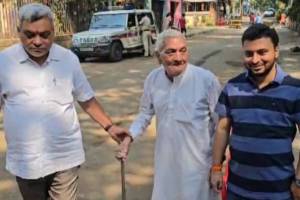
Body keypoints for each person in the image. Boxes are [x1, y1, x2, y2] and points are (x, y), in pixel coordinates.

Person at [0, 3, 129, 200]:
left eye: (45, 35)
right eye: (29, 35)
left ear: (53, 32)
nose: (37, 41)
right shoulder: (4, 62)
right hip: (25, 159)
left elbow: (86, 98)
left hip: (65, 155)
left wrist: (110, 127)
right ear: (19, 32)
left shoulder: (68, 59)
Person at [118, 29, 221, 200]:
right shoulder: (153, 79)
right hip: (166, 166)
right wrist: (130, 137)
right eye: (171, 52)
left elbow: (221, 127)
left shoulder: (206, 80)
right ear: (158, 56)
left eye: (183, 50)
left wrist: (217, 167)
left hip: (199, 168)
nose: (179, 58)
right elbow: (145, 113)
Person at [210, 23, 300, 200]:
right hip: (237, 190)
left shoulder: (295, 91)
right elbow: (222, 129)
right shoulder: (233, 87)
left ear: (276, 51)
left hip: (279, 191)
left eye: (262, 52)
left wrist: (298, 181)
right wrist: (216, 168)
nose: (255, 59)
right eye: (249, 53)